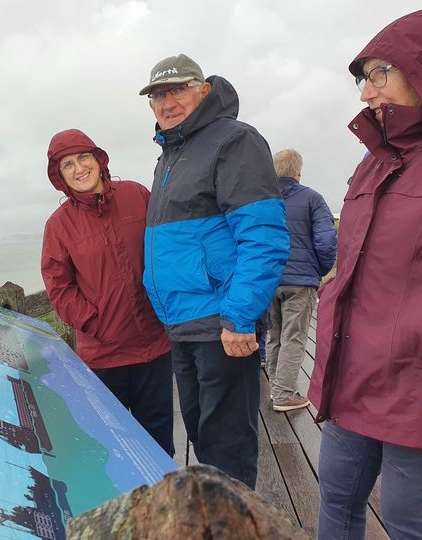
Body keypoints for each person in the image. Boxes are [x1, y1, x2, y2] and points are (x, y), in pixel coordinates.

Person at [308, 10, 422, 539]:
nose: (366, 92)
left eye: (379, 73)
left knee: (409, 522)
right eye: (362, 78)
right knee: (336, 499)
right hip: (354, 370)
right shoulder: (375, 159)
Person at [139, 54, 290, 488]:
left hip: (222, 324)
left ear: (203, 90)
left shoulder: (233, 140)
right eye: (158, 96)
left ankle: (234, 519)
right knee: (203, 440)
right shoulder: (170, 154)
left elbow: (263, 237)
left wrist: (239, 317)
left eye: (177, 90)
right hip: (182, 323)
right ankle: (216, 515)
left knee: (226, 451)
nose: (167, 103)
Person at [41, 128, 174, 455]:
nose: (79, 168)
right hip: (103, 356)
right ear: (60, 176)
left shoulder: (137, 195)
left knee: (159, 442)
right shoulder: (58, 225)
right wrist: (95, 323)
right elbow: (59, 287)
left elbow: (165, 249)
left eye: (83, 157)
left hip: (155, 347)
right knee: (111, 448)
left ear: (99, 160)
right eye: (67, 165)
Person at [266, 149, 336, 412]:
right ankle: (285, 395)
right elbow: (326, 241)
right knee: (293, 338)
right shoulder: (313, 199)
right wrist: (319, 270)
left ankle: (276, 388)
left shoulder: (263, 199)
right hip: (300, 280)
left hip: (269, 279)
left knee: (274, 336)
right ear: (298, 173)